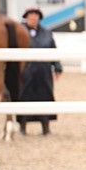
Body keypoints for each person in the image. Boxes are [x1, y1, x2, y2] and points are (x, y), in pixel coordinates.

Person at [17, 7, 62, 135]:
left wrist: (57, 66)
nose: (33, 17)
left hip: (44, 71)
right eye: (30, 14)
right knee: (24, 97)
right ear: (26, 17)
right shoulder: (20, 31)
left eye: (36, 14)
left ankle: (46, 127)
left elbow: (53, 50)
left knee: (45, 96)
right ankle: (22, 127)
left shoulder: (47, 33)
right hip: (26, 71)